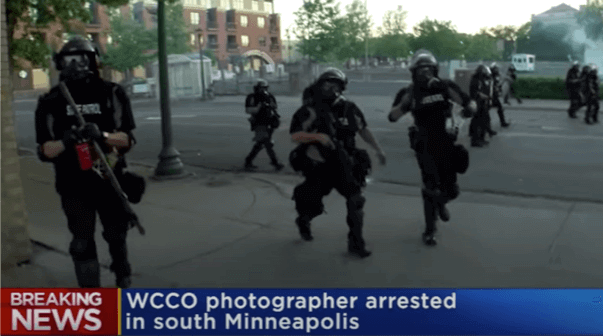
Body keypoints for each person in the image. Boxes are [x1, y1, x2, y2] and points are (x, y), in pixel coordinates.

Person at [35, 36, 141, 288]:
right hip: (73, 185)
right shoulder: (50, 101)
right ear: (60, 63)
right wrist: (65, 141)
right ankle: (92, 297)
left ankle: (122, 274)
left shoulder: (112, 93)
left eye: (83, 59)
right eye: (70, 60)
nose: (77, 65)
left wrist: (102, 135)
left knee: (116, 235)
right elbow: (44, 150)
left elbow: (128, 140)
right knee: (81, 242)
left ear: (94, 61)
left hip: (109, 178)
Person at [289, 68, 387, 258]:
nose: (330, 87)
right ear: (320, 85)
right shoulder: (310, 109)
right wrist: (317, 136)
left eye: (335, 84)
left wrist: (378, 149)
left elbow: (363, 130)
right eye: (327, 83)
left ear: (341, 87)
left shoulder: (349, 108)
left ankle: (356, 243)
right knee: (313, 205)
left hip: (345, 164)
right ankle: (304, 221)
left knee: (355, 201)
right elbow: (295, 135)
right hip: (320, 165)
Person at [388, 49, 476, 246]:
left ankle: (441, 203)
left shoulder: (445, 87)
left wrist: (470, 109)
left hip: (446, 141)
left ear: (435, 70)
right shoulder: (409, 92)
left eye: (428, 69)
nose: (425, 73)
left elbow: (469, 104)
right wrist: (404, 105)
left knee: (452, 190)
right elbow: (392, 117)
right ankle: (430, 229)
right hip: (424, 144)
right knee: (430, 188)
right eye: (420, 70)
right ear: (413, 72)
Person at [244, 79, 284, 171]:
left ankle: (248, 161)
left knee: (261, 143)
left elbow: (274, 108)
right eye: (260, 88)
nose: (262, 90)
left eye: (264, 88)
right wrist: (258, 107)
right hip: (259, 123)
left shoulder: (269, 96)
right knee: (266, 142)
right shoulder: (252, 97)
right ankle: (275, 162)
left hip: (269, 123)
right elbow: (248, 110)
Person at [469, 64, 493, 147]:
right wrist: (487, 97)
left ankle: (481, 139)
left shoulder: (481, 80)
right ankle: (475, 141)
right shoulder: (476, 80)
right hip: (477, 103)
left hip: (482, 104)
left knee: (484, 122)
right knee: (477, 123)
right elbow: (477, 93)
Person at [489, 63, 510, 128]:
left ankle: (502, 122)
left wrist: (499, 88)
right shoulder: (490, 76)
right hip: (490, 96)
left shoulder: (495, 76)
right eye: (496, 68)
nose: (497, 70)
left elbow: (497, 85)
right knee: (484, 112)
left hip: (493, 96)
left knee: (500, 108)